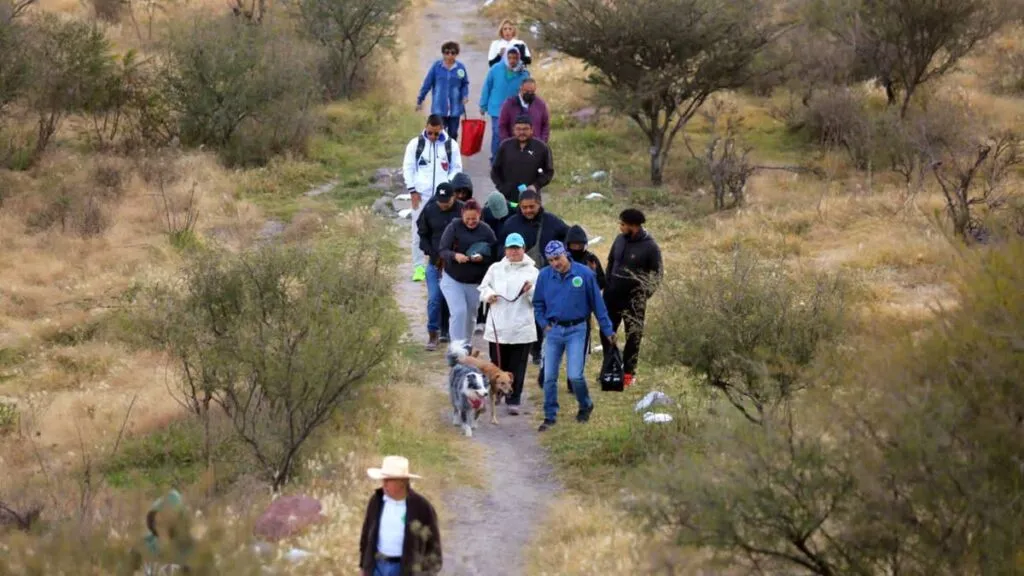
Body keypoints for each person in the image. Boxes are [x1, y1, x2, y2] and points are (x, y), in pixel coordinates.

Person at [533, 241, 615, 432]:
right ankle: (550, 415)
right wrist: (544, 323)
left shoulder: (584, 274)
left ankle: (585, 404)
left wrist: (608, 330)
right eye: (551, 260)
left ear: (566, 254)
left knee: (575, 375)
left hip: (577, 329)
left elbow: (598, 305)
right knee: (549, 377)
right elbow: (538, 303)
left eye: (558, 258)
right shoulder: (544, 275)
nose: (555, 263)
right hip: (554, 330)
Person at [496, 190, 569, 364]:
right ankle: (525, 348)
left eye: (532, 207)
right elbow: (499, 247)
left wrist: (562, 260)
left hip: (547, 276)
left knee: (543, 311)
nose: (528, 210)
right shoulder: (511, 224)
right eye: (524, 207)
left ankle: (541, 350)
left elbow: (568, 238)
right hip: (518, 277)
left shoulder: (552, 222)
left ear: (539, 204)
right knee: (522, 313)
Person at [478, 232, 539, 416]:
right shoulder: (495, 268)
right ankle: (497, 393)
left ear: (523, 249)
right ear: (505, 250)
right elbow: (483, 287)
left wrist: (530, 291)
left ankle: (514, 399)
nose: (514, 252)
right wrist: (489, 295)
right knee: (497, 365)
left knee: (518, 366)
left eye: (517, 248)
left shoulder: (533, 272)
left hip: (521, 328)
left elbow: (539, 299)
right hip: (498, 326)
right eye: (511, 248)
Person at [602, 208, 663, 388]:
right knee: (606, 332)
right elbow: (611, 263)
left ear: (634, 226)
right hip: (612, 297)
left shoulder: (650, 247)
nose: (620, 227)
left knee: (633, 336)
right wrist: (608, 284)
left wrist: (644, 295)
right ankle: (609, 369)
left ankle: (629, 374)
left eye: (623, 224)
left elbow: (657, 274)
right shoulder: (619, 239)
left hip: (634, 300)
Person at [359, 456, 442, 576]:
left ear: (402, 482)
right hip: (376, 567)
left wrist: (426, 573)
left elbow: (433, 547)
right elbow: (366, 535)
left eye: (388, 480)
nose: (384, 484)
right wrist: (363, 566)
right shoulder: (376, 501)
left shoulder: (422, 507)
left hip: (404, 569)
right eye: (383, 479)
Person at [403, 115, 462, 282]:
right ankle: (418, 267)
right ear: (426, 127)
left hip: (442, 197)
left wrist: (448, 185)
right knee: (418, 231)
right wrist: (412, 190)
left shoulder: (450, 145)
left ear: (442, 129)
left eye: (436, 133)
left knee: (445, 230)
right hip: (421, 195)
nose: (433, 136)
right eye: (430, 133)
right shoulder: (416, 144)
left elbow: (456, 168)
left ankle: (442, 263)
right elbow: (408, 168)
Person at [438, 200, 497, 347]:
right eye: (467, 219)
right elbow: (443, 250)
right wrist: (455, 256)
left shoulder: (486, 231)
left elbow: (494, 253)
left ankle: (466, 345)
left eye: (474, 219)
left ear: (480, 215)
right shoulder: (454, 227)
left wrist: (483, 258)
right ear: (462, 215)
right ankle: (456, 348)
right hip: (453, 279)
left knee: (471, 316)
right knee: (459, 312)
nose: (471, 222)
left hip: (474, 282)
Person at [417, 182, 464, 351]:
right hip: (435, 263)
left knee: (453, 301)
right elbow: (422, 235)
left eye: (447, 201)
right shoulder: (429, 210)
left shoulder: (463, 210)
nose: (443, 204)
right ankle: (433, 334)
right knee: (434, 299)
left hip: (456, 265)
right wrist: (432, 253)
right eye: (440, 201)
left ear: (454, 197)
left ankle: (453, 333)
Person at [565, 224, 606, 391]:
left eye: (579, 244)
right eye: (573, 244)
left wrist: (592, 274)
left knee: (580, 348)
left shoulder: (591, 259)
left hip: (583, 312)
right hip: (562, 309)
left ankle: (574, 382)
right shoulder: (562, 259)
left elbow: (602, 282)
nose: (576, 247)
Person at [479, 47, 530, 163]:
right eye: (510, 57)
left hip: (514, 110)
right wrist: (483, 105)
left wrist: (527, 109)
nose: (512, 61)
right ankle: (495, 159)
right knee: (497, 133)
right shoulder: (496, 69)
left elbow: (528, 93)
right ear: (505, 57)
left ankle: (508, 160)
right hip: (496, 108)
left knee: (511, 135)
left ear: (519, 58)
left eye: (515, 58)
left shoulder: (523, 73)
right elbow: (487, 87)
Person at [490, 115, 554, 204]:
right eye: (518, 129)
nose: (522, 132)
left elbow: (548, 172)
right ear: (514, 130)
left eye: (525, 129)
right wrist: (502, 188)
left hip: (532, 200)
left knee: (530, 212)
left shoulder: (541, 148)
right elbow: (495, 170)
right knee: (510, 212)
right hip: (508, 199)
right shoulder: (505, 146)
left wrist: (535, 186)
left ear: (532, 130)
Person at [416, 42, 470, 140]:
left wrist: (465, 95)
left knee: (453, 134)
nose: (450, 55)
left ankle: (450, 149)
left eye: (453, 53)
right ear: (443, 53)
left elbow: (464, 84)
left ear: (456, 54)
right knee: (440, 134)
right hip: (439, 108)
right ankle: (441, 150)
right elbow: (427, 83)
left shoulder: (460, 68)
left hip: (455, 108)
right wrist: (420, 99)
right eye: (447, 52)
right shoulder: (436, 67)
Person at [498, 78, 549, 143]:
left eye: (532, 92)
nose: (529, 94)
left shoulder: (540, 104)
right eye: (527, 91)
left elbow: (545, 125)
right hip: (514, 144)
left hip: (535, 144)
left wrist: (542, 142)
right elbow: (502, 126)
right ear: (520, 89)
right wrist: (507, 143)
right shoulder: (509, 104)